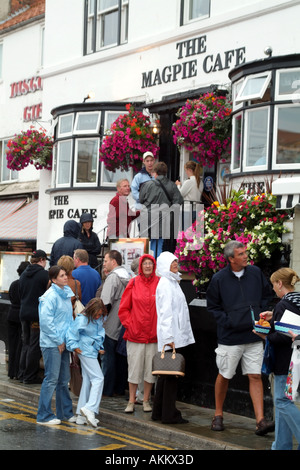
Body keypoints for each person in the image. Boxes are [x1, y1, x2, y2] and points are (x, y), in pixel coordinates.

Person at [206, 240, 275, 435]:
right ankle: (218, 415)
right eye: (241, 254)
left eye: (245, 252)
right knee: (225, 375)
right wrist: (229, 321)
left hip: (254, 335)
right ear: (231, 259)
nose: (246, 256)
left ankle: (260, 421)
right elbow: (213, 307)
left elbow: (266, 294)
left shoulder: (255, 273)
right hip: (230, 337)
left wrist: (260, 312)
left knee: (255, 375)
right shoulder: (219, 279)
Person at [257, 268, 300, 450]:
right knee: (282, 402)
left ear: (280, 284)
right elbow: (292, 326)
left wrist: (264, 335)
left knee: (282, 401)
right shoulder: (297, 301)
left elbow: (283, 335)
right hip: (296, 358)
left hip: (285, 361)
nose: (273, 289)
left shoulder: (283, 305)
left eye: (274, 284)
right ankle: (281, 445)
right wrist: (274, 317)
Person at [151, 251, 195, 424]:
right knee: (170, 376)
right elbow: (166, 312)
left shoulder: (172, 282)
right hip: (171, 337)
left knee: (165, 376)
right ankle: (169, 414)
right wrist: (169, 337)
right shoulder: (166, 284)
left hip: (173, 335)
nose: (176, 263)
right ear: (164, 265)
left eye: (176, 261)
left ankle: (159, 412)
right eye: (172, 262)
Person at [118, 254, 159, 413]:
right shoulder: (133, 283)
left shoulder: (160, 283)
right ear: (140, 266)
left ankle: (146, 400)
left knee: (150, 370)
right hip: (135, 335)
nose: (148, 266)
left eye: (150, 263)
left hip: (153, 336)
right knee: (134, 369)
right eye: (145, 263)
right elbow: (123, 308)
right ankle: (131, 400)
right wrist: (131, 324)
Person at [36, 266, 75, 425]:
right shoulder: (50, 296)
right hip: (52, 344)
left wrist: (69, 340)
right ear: (53, 280)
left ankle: (65, 413)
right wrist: (59, 340)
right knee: (51, 379)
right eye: (62, 275)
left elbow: (67, 319)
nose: (66, 277)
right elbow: (45, 322)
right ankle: (43, 416)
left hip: (63, 342)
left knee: (63, 379)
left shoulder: (65, 294)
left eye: (66, 274)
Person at [67, 298, 107, 427]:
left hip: (89, 349)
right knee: (98, 378)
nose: (98, 316)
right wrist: (74, 346)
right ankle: (90, 408)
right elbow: (72, 333)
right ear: (91, 310)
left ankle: (80, 415)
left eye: (100, 314)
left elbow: (98, 333)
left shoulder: (97, 318)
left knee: (88, 381)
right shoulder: (82, 318)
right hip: (85, 350)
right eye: (96, 314)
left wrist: (99, 347)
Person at [100, 250, 130, 396]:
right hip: (124, 324)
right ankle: (119, 388)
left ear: (113, 262)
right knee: (121, 358)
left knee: (108, 358)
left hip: (111, 323)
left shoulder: (112, 278)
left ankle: (107, 389)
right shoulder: (128, 276)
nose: (104, 264)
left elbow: (105, 303)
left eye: (105, 261)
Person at [139, 161, 183, 258]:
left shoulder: (147, 184)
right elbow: (179, 201)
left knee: (146, 244)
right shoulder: (172, 185)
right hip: (164, 219)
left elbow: (141, 199)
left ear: (155, 172)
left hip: (148, 218)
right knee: (159, 244)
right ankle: (156, 265)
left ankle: (146, 264)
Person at [19, 250, 50, 384]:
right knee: (34, 345)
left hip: (23, 312)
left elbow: (21, 293)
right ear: (42, 260)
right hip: (36, 315)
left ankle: (22, 373)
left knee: (26, 343)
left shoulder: (24, 274)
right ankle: (30, 376)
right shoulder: (44, 275)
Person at [7, 261, 30, 380]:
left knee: (12, 345)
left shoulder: (13, 284)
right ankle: (18, 371)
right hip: (21, 315)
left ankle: (11, 371)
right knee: (21, 345)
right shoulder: (25, 284)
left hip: (11, 314)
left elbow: (11, 297)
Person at [175, 161, 203, 227]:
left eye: (186, 170)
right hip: (197, 209)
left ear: (189, 170)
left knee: (185, 231)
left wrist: (178, 185)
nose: (186, 172)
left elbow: (180, 195)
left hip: (187, 209)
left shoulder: (189, 181)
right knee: (194, 232)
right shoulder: (200, 182)